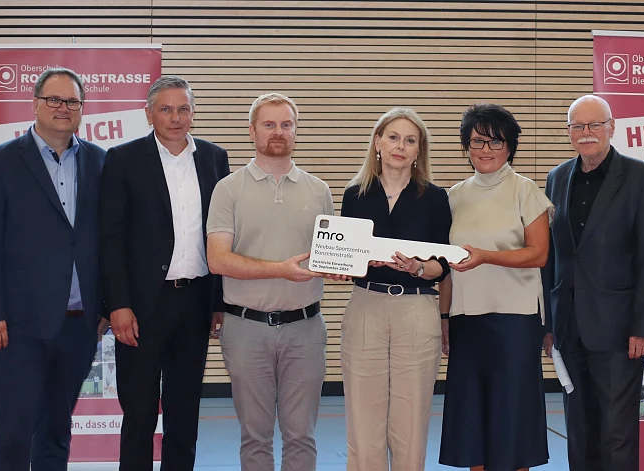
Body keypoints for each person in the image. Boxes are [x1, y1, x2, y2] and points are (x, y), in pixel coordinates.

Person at [99, 75, 230, 470]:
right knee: (139, 413)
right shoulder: (122, 159)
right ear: (149, 114)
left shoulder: (213, 158)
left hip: (195, 302)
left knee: (184, 411)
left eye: (184, 108)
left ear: (193, 112)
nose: (176, 117)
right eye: (166, 109)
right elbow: (110, 239)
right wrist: (118, 304)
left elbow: (222, 234)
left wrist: (218, 301)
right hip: (141, 307)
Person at [0, 67, 107, 470]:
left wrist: (105, 305)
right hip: (17, 326)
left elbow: (108, 242)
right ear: (35, 103)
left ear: (81, 109)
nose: (63, 108)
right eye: (54, 99)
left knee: (56, 430)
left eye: (72, 101)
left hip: (78, 322)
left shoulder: (100, 162)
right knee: (14, 432)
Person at [207, 93, 336, 471]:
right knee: (255, 437)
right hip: (246, 329)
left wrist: (343, 266)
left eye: (286, 124)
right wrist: (280, 268)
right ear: (252, 131)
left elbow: (328, 256)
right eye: (269, 124)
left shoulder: (319, 191)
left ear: (296, 131)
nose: (278, 132)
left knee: (301, 436)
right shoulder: (228, 189)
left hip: (306, 329)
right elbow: (218, 259)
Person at [541, 94, 644, 471]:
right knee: (579, 430)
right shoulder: (556, 178)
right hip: (568, 328)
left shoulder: (643, 179)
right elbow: (553, 257)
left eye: (595, 124)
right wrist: (549, 325)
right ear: (568, 133)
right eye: (578, 126)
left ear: (612, 127)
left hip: (619, 330)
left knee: (616, 433)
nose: (587, 132)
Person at [439, 103, 553, 471]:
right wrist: (444, 318)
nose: (485, 150)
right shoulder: (453, 196)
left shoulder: (526, 190)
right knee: (473, 419)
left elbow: (539, 254)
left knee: (512, 420)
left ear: (510, 148)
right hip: (466, 319)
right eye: (477, 142)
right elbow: (445, 267)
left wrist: (487, 256)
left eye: (495, 142)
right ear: (465, 146)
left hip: (514, 321)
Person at [340, 108, 452, 471]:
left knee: (410, 423)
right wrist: (358, 262)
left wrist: (420, 267)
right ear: (377, 142)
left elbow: (443, 263)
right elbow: (344, 258)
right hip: (366, 307)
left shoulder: (435, 198)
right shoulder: (354, 195)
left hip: (416, 312)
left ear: (419, 151)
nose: (400, 146)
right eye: (392, 137)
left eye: (409, 140)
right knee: (363, 422)